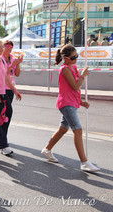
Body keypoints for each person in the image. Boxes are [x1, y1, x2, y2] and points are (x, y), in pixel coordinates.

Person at [41, 44, 100, 172]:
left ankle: (47, 149)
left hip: (72, 102)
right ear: (65, 58)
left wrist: (81, 102)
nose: (76, 60)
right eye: (73, 58)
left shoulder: (73, 67)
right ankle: (84, 162)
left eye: (76, 56)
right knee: (77, 130)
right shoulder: (64, 69)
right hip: (66, 103)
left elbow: (75, 90)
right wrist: (83, 76)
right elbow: (74, 85)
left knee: (63, 129)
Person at [0, 39, 22, 155]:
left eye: (2, 46)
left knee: (7, 113)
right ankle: (3, 145)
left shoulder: (2, 61)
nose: (1, 48)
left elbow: (6, 77)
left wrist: (14, 90)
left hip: (4, 92)